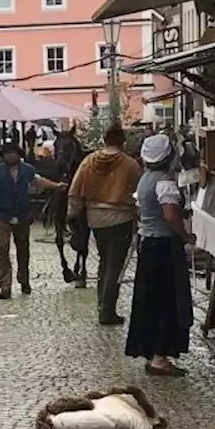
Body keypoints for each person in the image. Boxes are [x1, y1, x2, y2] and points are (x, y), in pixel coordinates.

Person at [127, 134, 195, 376]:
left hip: (148, 244)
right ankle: (160, 357)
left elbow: (140, 211)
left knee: (150, 299)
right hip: (164, 246)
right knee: (167, 299)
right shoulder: (165, 182)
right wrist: (186, 236)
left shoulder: (144, 180)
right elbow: (169, 216)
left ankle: (152, 351)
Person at [68, 125, 142, 326]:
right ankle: (107, 311)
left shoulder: (89, 161)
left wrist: (72, 217)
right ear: (122, 142)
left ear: (104, 140)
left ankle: (102, 304)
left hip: (95, 219)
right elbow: (139, 195)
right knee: (114, 265)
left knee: (104, 260)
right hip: (121, 218)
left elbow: (74, 192)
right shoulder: (130, 165)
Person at [0, 142, 66, 300]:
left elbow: (39, 181)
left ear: (19, 154)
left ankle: (24, 279)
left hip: (23, 215)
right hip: (2, 216)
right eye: (7, 153)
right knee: (3, 250)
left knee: (23, 250)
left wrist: (56, 186)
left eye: (13, 153)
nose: (10, 156)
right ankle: (5, 286)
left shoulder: (27, 170)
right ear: (3, 156)